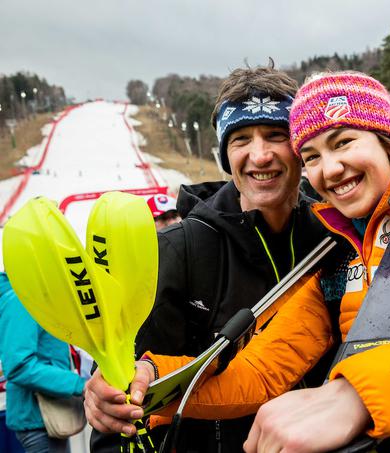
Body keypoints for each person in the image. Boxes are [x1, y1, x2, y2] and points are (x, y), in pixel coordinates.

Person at [86, 71, 390, 452]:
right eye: (313, 154)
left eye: (343, 143)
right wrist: (151, 384)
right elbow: (258, 373)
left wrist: (354, 397)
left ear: (387, 142)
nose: (330, 168)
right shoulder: (336, 255)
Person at [85, 63, 328, 452]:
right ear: (225, 154)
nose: (260, 155)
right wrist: (106, 399)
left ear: (299, 148)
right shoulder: (181, 250)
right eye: (241, 139)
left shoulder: (333, 235)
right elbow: (122, 396)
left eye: (275, 135)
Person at [0, 273, 86, 453]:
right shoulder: (21, 299)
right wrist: (80, 385)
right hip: (39, 417)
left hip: (47, 414)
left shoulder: (30, 296)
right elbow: (19, 366)